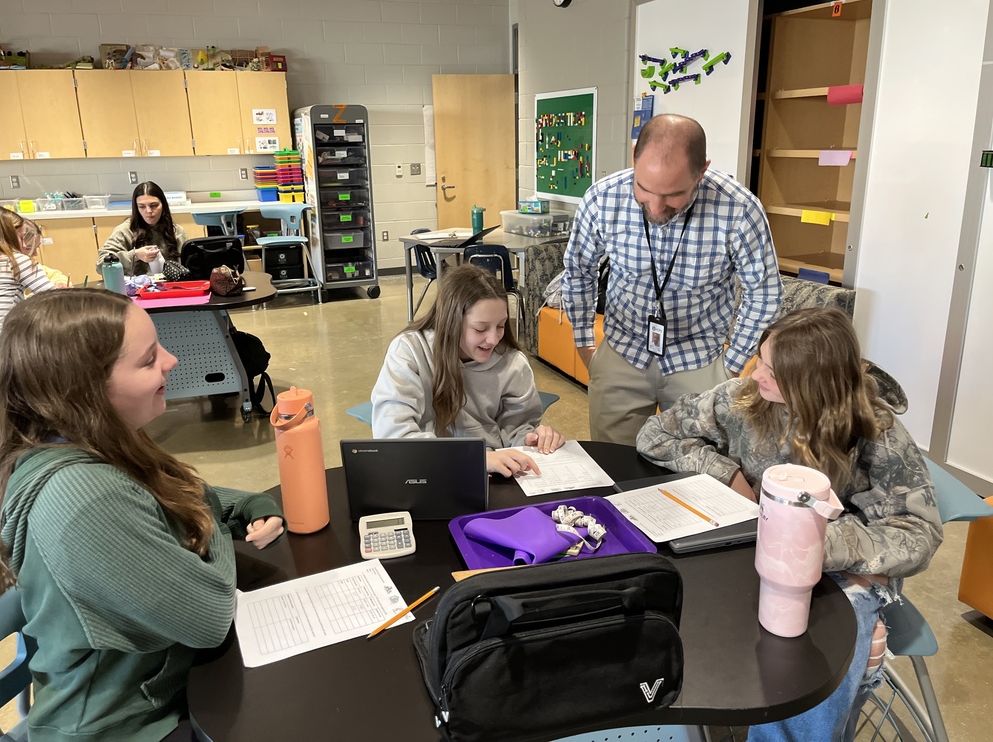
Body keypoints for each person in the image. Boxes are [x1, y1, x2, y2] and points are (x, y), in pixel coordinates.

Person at [0, 288, 286, 742]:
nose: (172, 361)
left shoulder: (88, 444)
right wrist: (206, 516)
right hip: (127, 726)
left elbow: (180, 494)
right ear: (84, 392)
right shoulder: (84, 499)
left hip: (159, 695)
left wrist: (246, 506)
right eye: (148, 359)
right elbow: (210, 616)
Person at [636, 307, 943, 742]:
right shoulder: (743, 397)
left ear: (814, 384)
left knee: (805, 667)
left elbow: (919, 531)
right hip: (750, 546)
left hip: (841, 569)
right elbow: (656, 435)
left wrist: (817, 542)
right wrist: (727, 474)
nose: (757, 374)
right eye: (761, 359)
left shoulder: (875, 430)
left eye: (773, 371)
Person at [562, 114, 783, 445]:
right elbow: (579, 270)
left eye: (673, 195)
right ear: (634, 155)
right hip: (622, 354)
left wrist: (732, 368)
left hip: (700, 360)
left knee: (697, 474)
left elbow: (764, 294)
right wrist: (585, 346)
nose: (655, 206)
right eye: (644, 189)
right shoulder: (602, 199)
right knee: (612, 464)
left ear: (701, 171)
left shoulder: (739, 209)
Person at [372, 264, 565, 477]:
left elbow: (516, 429)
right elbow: (393, 436)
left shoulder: (513, 364)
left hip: (492, 473)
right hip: (427, 472)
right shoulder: (409, 351)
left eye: (501, 325)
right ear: (451, 322)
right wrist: (472, 459)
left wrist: (531, 439)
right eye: (480, 329)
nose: (493, 339)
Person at [0, 205, 58, 338]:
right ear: (8, 235)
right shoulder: (15, 261)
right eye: (22, 237)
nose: (24, 244)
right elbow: (55, 299)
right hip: (0, 341)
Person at [97, 181, 188, 276]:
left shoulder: (176, 231)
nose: (148, 211)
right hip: (135, 288)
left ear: (163, 206)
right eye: (142, 207)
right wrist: (135, 255)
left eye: (154, 205)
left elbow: (190, 266)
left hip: (171, 287)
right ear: (136, 208)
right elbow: (101, 265)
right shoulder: (124, 231)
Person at [18, 218, 70, 288]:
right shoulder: (21, 265)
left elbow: (54, 274)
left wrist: (60, 282)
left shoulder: (32, 264)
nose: (35, 253)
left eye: (37, 247)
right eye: (29, 248)